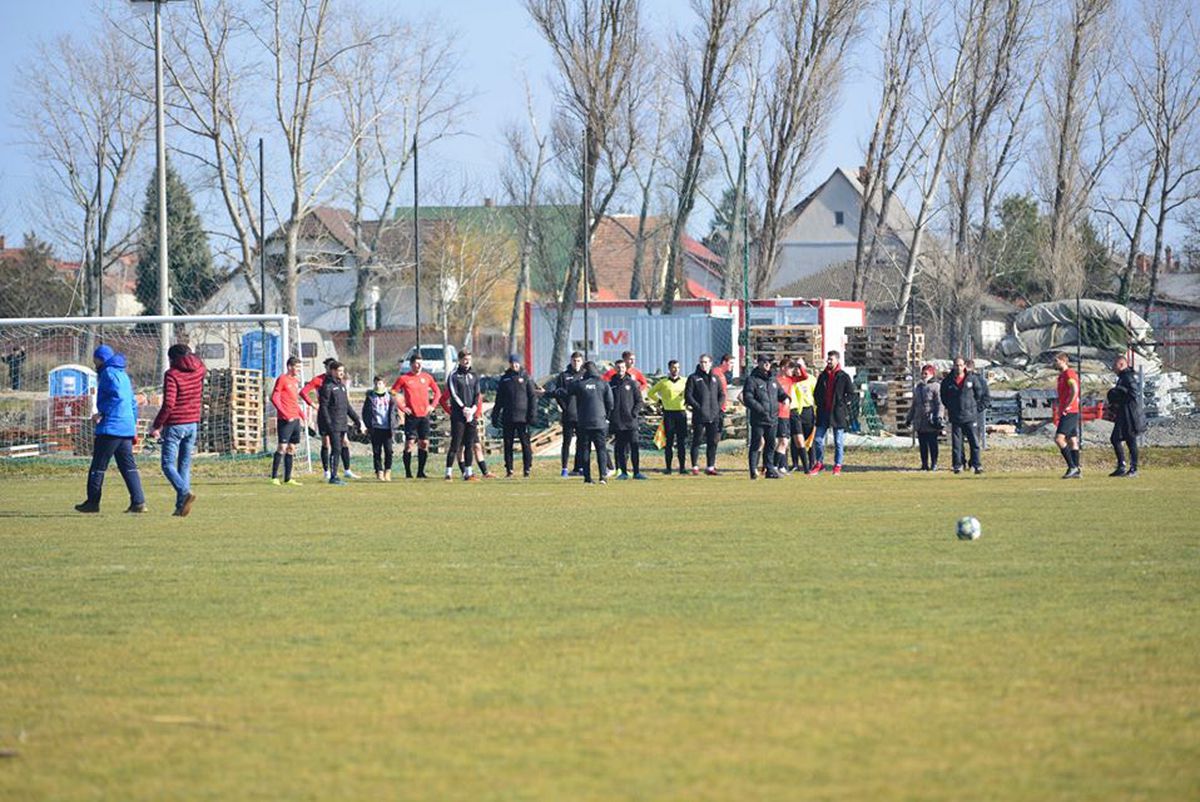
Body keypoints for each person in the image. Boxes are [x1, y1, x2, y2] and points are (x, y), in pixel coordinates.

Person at [75, 345, 146, 513]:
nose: (95, 363)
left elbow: (118, 397)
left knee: (98, 466)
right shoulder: (123, 375)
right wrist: (132, 424)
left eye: (96, 360)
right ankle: (138, 502)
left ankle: (92, 503)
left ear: (101, 359)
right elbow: (132, 403)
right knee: (128, 466)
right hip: (126, 427)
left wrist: (103, 413)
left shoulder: (108, 373)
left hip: (111, 427)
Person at [148, 343, 206, 516]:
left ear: (172, 358)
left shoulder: (172, 375)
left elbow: (169, 403)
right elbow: (200, 365)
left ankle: (184, 492)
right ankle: (181, 506)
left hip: (175, 424)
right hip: (193, 423)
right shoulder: (200, 369)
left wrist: (157, 425)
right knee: (184, 465)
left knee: (167, 464)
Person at [552, 360, 612, 484]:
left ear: (585, 371)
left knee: (585, 449)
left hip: (584, 422)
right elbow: (610, 403)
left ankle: (587, 478)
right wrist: (606, 417)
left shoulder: (579, 384)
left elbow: (565, 392)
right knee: (601, 449)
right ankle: (603, 477)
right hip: (600, 422)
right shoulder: (603, 384)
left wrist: (549, 393)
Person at [392, 354, 441, 479]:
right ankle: (408, 473)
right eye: (416, 363)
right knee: (409, 444)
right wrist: (402, 408)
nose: (418, 366)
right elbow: (393, 393)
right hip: (411, 416)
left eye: (420, 363)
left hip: (424, 416)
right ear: (411, 364)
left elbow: (437, 392)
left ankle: (421, 472)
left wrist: (432, 406)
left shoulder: (427, 377)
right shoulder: (404, 378)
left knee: (424, 443)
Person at [492, 354, 537, 478]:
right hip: (508, 416)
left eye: (516, 363)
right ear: (509, 364)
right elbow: (499, 399)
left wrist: (532, 415)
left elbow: (532, 397)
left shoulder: (526, 377)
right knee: (507, 444)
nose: (514, 365)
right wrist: (495, 415)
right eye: (512, 363)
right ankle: (509, 469)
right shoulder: (505, 379)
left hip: (523, 418)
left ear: (520, 363)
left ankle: (527, 469)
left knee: (525, 444)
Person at [810, 350, 855, 476]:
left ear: (837, 360)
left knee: (838, 442)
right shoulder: (823, 376)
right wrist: (819, 403)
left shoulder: (843, 376)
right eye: (828, 359)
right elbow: (816, 393)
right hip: (823, 413)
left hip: (837, 414)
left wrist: (843, 403)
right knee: (818, 439)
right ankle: (819, 463)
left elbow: (851, 394)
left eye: (831, 359)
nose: (829, 362)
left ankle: (837, 466)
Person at [317, 361, 362, 485]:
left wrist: (357, 420)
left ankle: (337, 474)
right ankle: (333, 476)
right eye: (339, 371)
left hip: (342, 423)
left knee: (340, 448)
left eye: (342, 371)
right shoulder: (327, 387)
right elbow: (324, 407)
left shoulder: (342, 386)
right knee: (336, 449)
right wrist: (329, 423)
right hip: (334, 424)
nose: (341, 373)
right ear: (332, 371)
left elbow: (347, 406)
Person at [441, 350, 483, 481]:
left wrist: (473, 409)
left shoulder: (474, 375)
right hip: (459, 415)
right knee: (456, 444)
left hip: (471, 414)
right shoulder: (453, 375)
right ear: (459, 360)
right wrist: (463, 408)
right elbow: (453, 394)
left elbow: (477, 394)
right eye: (464, 359)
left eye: (469, 359)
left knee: (469, 444)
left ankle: (468, 473)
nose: (467, 361)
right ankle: (448, 473)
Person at [743, 354, 786, 480]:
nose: (767, 364)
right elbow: (748, 398)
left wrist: (786, 398)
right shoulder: (752, 379)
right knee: (756, 443)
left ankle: (769, 469)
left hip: (772, 418)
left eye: (769, 362)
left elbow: (780, 393)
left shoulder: (773, 379)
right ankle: (753, 470)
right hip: (759, 419)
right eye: (765, 361)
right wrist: (760, 409)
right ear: (759, 363)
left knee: (771, 444)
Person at [940, 356, 985, 475]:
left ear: (964, 366)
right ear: (953, 366)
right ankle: (958, 465)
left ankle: (976, 465)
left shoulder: (972, 379)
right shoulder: (948, 381)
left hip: (970, 416)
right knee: (957, 444)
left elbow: (979, 394)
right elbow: (944, 397)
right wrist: (952, 407)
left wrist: (974, 408)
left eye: (960, 365)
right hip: (956, 416)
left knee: (974, 442)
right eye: (956, 365)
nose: (958, 367)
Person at [685, 353, 726, 475]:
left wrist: (717, 408)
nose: (704, 364)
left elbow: (721, 394)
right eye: (702, 362)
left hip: (714, 416)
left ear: (711, 363)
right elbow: (688, 396)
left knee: (712, 441)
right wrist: (699, 408)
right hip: (699, 416)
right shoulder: (693, 378)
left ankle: (710, 467)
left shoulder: (715, 378)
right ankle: (695, 466)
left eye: (706, 362)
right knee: (697, 440)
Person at [1106, 355, 1146, 478]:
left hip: (1130, 414)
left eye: (1115, 365)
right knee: (1115, 438)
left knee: (1130, 440)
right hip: (1123, 413)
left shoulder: (1127, 377)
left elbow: (1133, 393)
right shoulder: (1122, 377)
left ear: (1122, 364)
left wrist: (1120, 393)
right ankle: (1121, 466)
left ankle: (1133, 469)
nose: (1113, 367)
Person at [548, 351, 586, 478]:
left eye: (579, 361)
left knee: (581, 442)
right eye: (574, 361)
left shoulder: (585, 375)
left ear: (582, 362)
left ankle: (578, 467)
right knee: (567, 442)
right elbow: (558, 393)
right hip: (569, 414)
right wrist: (565, 408)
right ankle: (564, 468)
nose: (576, 363)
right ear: (571, 361)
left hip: (582, 414)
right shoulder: (564, 376)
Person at [647, 360, 688, 474]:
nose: (676, 370)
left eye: (678, 367)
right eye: (673, 367)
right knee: (669, 442)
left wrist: (689, 402)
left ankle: (682, 468)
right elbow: (650, 393)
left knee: (681, 442)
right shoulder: (663, 382)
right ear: (669, 369)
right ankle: (668, 468)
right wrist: (660, 401)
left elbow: (691, 392)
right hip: (669, 413)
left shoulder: (685, 381)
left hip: (681, 413)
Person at [269, 356, 305, 487]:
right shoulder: (282, 379)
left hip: (295, 419)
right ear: (290, 367)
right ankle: (273, 477)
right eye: (297, 367)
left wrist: (302, 415)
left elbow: (294, 401)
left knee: (292, 448)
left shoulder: (295, 381)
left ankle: (288, 478)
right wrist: (284, 414)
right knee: (282, 447)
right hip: (285, 419)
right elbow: (274, 397)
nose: (299, 370)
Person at [609, 359, 647, 480]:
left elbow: (640, 401)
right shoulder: (611, 384)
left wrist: (634, 413)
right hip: (617, 422)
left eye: (623, 367)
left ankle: (636, 472)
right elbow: (607, 402)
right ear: (615, 369)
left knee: (634, 447)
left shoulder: (632, 383)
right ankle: (623, 472)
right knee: (620, 448)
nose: (621, 370)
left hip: (631, 421)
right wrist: (611, 416)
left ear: (626, 369)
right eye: (618, 367)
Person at [300, 357, 337, 479]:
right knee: (326, 442)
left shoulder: (338, 380)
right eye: (328, 367)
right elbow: (303, 392)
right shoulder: (318, 380)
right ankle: (326, 471)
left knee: (342, 442)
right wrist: (313, 404)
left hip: (336, 414)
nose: (330, 370)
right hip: (324, 414)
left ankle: (346, 470)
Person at [361, 375, 400, 481]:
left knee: (388, 451)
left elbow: (395, 412)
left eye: (380, 383)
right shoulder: (371, 397)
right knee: (377, 452)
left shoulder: (390, 397)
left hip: (387, 428)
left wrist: (395, 424)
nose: (378, 385)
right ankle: (379, 471)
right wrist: (368, 425)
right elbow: (365, 412)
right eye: (376, 383)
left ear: (384, 384)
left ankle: (388, 471)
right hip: (376, 428)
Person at [906, 364, 943, 471]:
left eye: (925, 373)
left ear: (931, 374)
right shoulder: (918, 387)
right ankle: (924, 464)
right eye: (922, 373)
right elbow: (914, 404)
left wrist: (939, 417)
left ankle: (934, 463)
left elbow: (939, 404)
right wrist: (909, 418)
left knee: (932, 443)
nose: (923, 375)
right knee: (922, 444)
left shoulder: (936, 386)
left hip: (931, 419)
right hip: (920, 420)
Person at [1054, 351, 1082, 479]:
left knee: (1059, 439)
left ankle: (1072, 466)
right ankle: (1077, 469)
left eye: (1056, 360)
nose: (1054, 363)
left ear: (1063, 361)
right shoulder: (1061, 376)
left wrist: (1068, 405)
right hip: (1068, 411)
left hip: (1070, 411)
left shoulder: (1069, 373)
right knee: (1072, 441)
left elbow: (1075, 389)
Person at [789, 358, 817, 473]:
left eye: (800, 366)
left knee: (809, 438)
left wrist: (816, 411)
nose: (798, 369)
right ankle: (795, 463)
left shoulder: (810, 379)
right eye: (796, 366)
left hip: (807, 411)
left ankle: (812, 462)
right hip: (795, 412)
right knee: (795, 439)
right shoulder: (792, 380)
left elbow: (815, 395)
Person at [774, 358, 796, 474]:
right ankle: (774, 466)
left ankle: (780, 466)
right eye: (790, 367)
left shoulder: (790, 380)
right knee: (782, 441)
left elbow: (804, 377)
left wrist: (800, 365)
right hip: (778, 414)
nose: (792, 369)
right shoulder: (775, 381)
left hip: (786, 415)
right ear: (783, 368)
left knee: (784, 442)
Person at [966, 358, 991, 449]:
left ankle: (975, 459)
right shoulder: (959, 380)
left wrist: (977, 409)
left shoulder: (980, 380)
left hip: (975, 413)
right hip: (963, 413)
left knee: (975, 438)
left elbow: (986, 398)